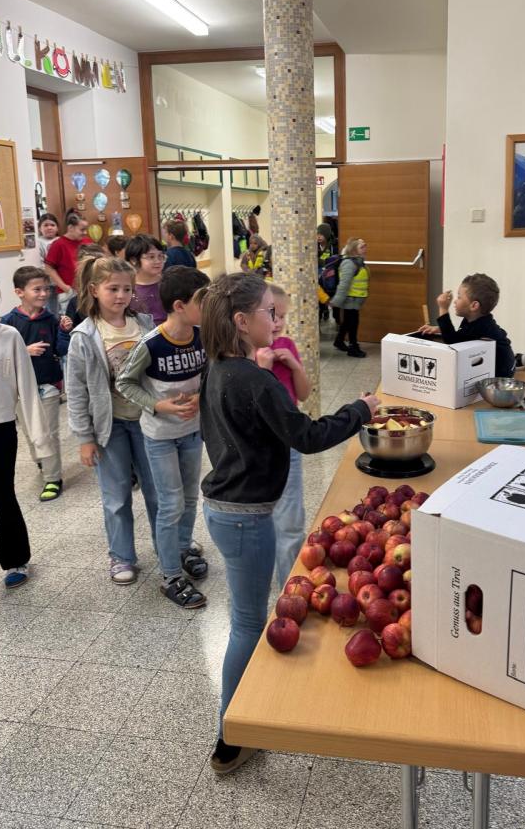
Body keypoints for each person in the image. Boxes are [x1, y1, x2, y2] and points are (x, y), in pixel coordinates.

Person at [199, 272, 379, 774]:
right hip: (243, 519)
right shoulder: (253, 380)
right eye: (270, 312)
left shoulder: (219, 368)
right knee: (246, 624)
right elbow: (308, 435)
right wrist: (360, 410)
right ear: (242, 321)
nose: (277, 320)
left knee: (247, 617)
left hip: (223, 508)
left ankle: (240, 722)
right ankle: (229, 737)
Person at [117, 266, 210, 609]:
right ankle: (171, 576)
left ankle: (183, 549)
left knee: (190, 498)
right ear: (180, 306)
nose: (209, 306)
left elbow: (210, 373)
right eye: (203, 300)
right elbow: (124, 383)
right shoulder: (151, 343)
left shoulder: (202, 335)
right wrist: (158, 405)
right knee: (170, 504)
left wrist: (200, 397)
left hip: (192, 433)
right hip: (160, 438)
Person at [66, 256, 158, 584]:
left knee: (158, 491)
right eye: (113, 289)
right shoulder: (84, 336)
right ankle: (121, 556)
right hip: (110, 427)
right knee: (116, 496)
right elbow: (77, 391)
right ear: (94, 290)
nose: (121, 296)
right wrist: (85, 438)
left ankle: (169, 547)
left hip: (147, 422)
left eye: (127, 289)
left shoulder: (145, 324)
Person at [0, 269, 54, 588]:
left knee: (3, 494)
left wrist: (41, 439)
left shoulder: (10, 336)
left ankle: (16, 558)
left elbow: (27, 390)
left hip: (1, 429)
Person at [256, 283, 312, 586]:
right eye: (271, 315)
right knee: (261, 519)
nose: (277, 323)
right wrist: (263, 368)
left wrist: (294, 366)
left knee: (290, 520)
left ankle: (288, 589)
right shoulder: (244, 355)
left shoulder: (287, 345)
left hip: (287, 443)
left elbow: (302, 394)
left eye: (282, 316)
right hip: (257, 448)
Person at [0, 266, 69, 501]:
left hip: (48, 384)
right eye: (36, 289)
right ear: (19, 292)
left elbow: (61, 349)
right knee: (31, 432)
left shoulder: (51, 319)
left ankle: (53, 478)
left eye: (46, 289)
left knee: (48, 434)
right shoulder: (8, 323)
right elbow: (2, 355)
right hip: (20, 388)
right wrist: (24, 351)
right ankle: (42, 461)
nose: (43, 294)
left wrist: (64, 332)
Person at [419, 273, 516, 378]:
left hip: (501, 375)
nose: (455, 301)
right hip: (505, 364)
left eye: (459, 297)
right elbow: (461, 337)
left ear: (474, 306)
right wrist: (440, 329)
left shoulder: (480, 327)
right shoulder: (478, 321)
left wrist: (443, 308)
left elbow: (452, 341)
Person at [331, 237, 369, 358]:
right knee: (353, 322)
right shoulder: (349, 263)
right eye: (362, 246)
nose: (365, 248)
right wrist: (336, 302)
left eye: (365, 245)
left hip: (355, 299)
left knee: (347, 321)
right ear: (354, 250)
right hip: (350, 299)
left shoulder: (358, 261)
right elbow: (344, 284)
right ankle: (353, 347)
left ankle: (339, 341)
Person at [44, 213, 91, 310]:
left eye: (86, 229)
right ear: (70, 228)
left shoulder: (87, 242)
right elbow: (49, 268)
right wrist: (65, 287)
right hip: (69, 292)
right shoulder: (58, 244)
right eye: (82, 230)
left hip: (87, 290)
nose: (85, 232)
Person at [126, 234, 167, 325]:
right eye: (151, 257)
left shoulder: (169, 282)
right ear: (134, 260)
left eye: (160, 256)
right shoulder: (128, 288)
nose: (158, 261)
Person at [37, 212, 60, 314]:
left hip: (63, 281)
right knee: (51, 307)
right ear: (39, 228)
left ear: (57, 228)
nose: (49, 228)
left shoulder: (61, 241)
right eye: (45, 225)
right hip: (48, 282)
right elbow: (40, 262)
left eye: (52, 225)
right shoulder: (38, 242)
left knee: (64, 306)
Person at [317, 224, 333, 323]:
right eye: (317, 234)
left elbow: (332, 261)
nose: (318, 237)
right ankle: (322, 311)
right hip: (317, 275)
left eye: (321, 234)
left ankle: (326, 309)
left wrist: (321, 262)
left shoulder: (332, 246)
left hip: (329, 276)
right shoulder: (314, 246)